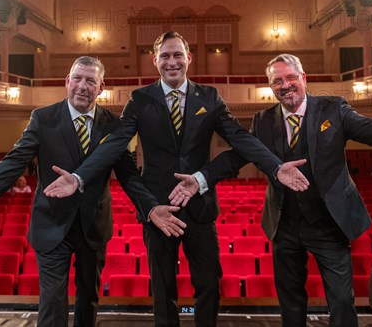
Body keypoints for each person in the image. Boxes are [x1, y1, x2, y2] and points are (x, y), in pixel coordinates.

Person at [169, 53, 372, 327]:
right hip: (285, 224)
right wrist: (200, 178)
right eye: (277, 82)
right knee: (291, 303)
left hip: (329, 223)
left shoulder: (333, 109)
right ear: (271, 87)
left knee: (342, 302)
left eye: (291, 77)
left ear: (304, 78)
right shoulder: (263, 121)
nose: (286, 86)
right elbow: (237, 156)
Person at [43, 32, 308, 327]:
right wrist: (80, 177)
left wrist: (275, 166)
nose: (172, 62)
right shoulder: (140, 100)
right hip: (158, 210)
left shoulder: (209, 97)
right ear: (155, 60)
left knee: (208, 285)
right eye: (165, 56)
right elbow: (115, 145)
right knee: (163, 288)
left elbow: (240, 139)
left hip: (200, 206)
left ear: (188, 58)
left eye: (177, 55)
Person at [0, 56, 186, 327]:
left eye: (91, 81)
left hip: (93, 225)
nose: (82, 86)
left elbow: (128, 175)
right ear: (67, 82)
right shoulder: (43, 118)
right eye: (77, 78)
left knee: (88, 299)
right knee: (53, 302)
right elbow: (12, 164)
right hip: (51, 223)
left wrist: (149, 207)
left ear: (101, 87)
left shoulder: (114, 125)